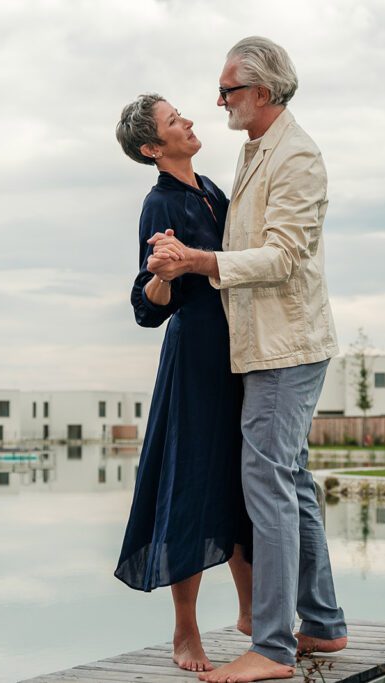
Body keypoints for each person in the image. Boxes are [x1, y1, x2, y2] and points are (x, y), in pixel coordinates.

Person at [146, 37, 348, 683]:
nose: (217, 101)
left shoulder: (297, 156)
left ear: (261, 92)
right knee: (290, 481)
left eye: (228, 90)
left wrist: (199, 262)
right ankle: (321, 622)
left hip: (285, 345)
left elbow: (284, 255)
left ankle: (273, 646)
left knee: (267, 484)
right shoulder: (254, 150)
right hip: (263, 344)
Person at [113, 93, 253, 674]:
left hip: (241, 354)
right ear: (153, 147)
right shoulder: (159, 203)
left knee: (246, 483)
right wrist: (162, 277)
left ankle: (252, 617)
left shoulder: (213, 191)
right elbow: (149, 307)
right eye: (174, 121)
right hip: (195, 359)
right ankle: (185, 632)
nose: (189, 120)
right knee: (190, 485)